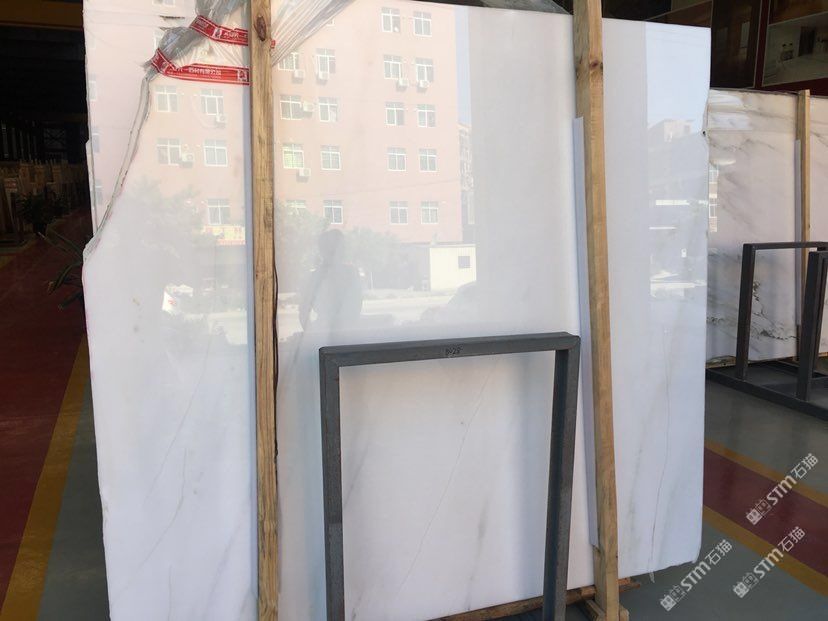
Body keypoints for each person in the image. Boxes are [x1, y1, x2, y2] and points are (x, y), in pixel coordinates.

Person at [299, 229, 362, 332]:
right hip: (324, 331)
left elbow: (356, 305)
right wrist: (312, 334)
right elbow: (303, 310)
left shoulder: (352, 273)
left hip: (350, 331)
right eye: (333, 247)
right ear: (322, 250)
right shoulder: (314, 277)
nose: (341, 251)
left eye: (342, 247)